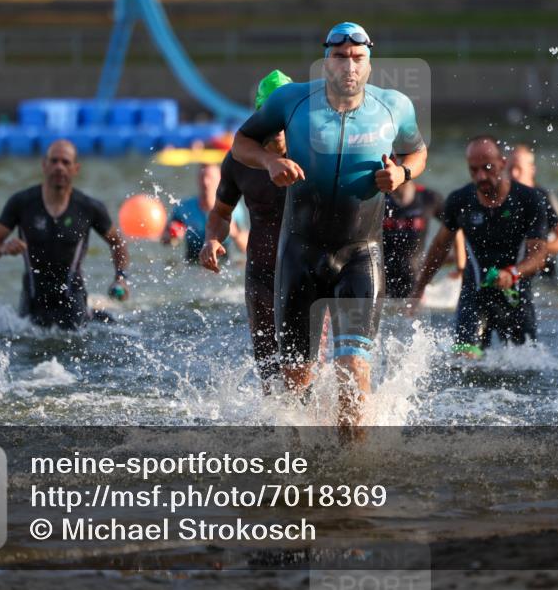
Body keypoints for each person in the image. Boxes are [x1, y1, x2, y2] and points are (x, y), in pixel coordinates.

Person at [232, 22, 427, 429]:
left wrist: (403, 174)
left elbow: (417, 151)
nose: (348, 66)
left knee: (354, 371)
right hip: (300, 254)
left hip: (360, 254)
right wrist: (270, 161)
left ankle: (352, 463)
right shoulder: (291, 102)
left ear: (369, 64)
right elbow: (241, 142)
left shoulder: (395, 106)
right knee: (295, 382)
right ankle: (299, 464)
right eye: (340, 57)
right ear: (325, 62)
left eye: (357, 58)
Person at [411, 136, 548, 357]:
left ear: (502, 163)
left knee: (523, 365)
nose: (481, 176)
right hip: (474, 295)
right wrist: (419, 288)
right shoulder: (460, 200)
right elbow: (439, 247)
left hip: (515, 295)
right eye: (473, 170)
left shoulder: (529, 199)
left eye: (487, 167)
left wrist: (513, 273)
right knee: (464, 361)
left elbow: (539, 255)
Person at [200, 70, 292, 387]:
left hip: (306, 272)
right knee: (269, 371)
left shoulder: (314, 154)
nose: (277, 125)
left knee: (305, 367)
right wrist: (212, 239)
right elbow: (221, 213)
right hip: (261, 274)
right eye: (270, 115)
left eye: (284, 116)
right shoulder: (239, 161)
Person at [0, 139, 129, 329]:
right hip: (33, 300)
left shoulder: (89, 208)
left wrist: (121, 278)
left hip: (73, 300)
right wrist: (4, 248)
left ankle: (95, 312)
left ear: (76, 168)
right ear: (44, 165)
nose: (59, 167)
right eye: (54, 161)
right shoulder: (21, 203)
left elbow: (117, 243)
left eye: (65, 162)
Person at [508, 145, 558, 278]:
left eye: (519, 169)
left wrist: (532, 251)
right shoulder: (502, 198)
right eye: (510, 169)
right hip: (511, 274)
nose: (514, 174)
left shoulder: (543, 197)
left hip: (544, 279)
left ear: (531, 170)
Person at [163, 163, 248, 264]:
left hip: (223, 265)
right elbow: (164, 239)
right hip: (192, 263)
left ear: (220, 182)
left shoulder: (233, 209)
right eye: (202, 177)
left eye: (210, 178)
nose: (205, 182)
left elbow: (247, 247)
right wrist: (173, 237)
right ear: (197, 180)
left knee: (240, 264)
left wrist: (235, 234)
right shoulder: (184, 208)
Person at [382, 181, 445, 298]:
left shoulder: (428, 197)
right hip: (382, 278)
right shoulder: (378, 199)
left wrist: (460, 264)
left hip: (415, 279)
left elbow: (454, 226)